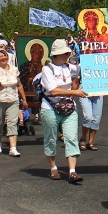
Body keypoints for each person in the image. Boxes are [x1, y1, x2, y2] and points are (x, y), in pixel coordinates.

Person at [40, 39, 88, 183]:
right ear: (59, 54)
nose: (68, 54)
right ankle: (53, 168)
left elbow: (87, 68)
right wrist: (75, 92)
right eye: (66, 53)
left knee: (71, 137)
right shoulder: (47, 69)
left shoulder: (70, 67)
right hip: (50, 107)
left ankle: (72, 171)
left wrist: (91, 55)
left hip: (68, 107)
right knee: (51, 138)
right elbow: (53, 91)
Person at [0, 49, 28, 157]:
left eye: (5, 56)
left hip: (12, 100)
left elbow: (19, 85)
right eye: (1, 56)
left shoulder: (14, 70)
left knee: (12, 122)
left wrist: (24, 99)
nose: (3, 58)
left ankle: (13, 148)